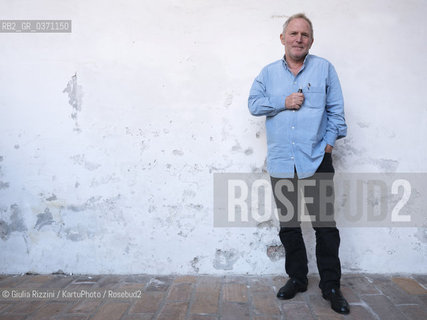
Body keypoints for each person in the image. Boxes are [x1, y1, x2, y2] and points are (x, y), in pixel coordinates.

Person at [248, 13, 350, 315]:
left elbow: (337, 112)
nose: (298, 39)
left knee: (325, 227)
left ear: (311, 40)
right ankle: (297, 278)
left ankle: (331, 285)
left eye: (304, 34)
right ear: (283, 38)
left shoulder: (324, 69)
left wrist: (328, 147)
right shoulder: (268, 74)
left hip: (316, 159)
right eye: (293, 33)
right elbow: (254, 104)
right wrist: (284, 100)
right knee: (289, 226)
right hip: (282, 162)